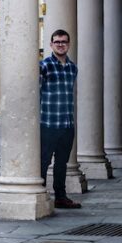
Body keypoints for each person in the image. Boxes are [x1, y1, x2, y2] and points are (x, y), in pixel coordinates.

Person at [40, 29, 82, 209]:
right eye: (57, 42)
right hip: (48, 123)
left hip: (67, 123)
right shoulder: (44, 66)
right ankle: (40, 194)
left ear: (69, 44)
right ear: (51, 45)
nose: (60, 44)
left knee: (62, 163)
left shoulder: (73, 68)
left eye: (64, 42)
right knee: (43, 161)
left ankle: (60, 196)